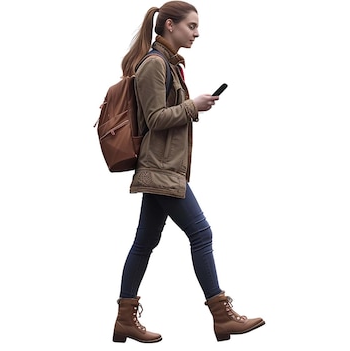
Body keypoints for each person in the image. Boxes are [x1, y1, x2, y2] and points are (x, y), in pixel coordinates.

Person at [112, 1, 265, 343]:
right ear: (169, 26)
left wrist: (193, 106)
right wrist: (192, 106)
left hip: (164, 168)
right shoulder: (154, 64)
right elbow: (155, 120)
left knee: (145, 242)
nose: (196, 33)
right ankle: (221, 315)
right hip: (161, 168)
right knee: (201, 233)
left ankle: (124, 319)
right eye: (191, 26)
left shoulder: (167, 62)